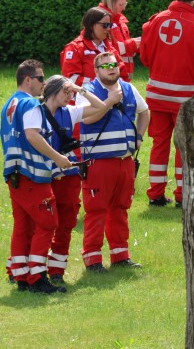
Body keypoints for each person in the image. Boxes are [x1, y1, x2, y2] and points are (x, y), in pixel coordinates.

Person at [140, 0, 194, 207]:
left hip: (157, 95)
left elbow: (145, 58)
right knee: (184, 146)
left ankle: (156, 194)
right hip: (185, 98)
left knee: (159, 144)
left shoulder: (155, 22)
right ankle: (183, 195)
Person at [2, 60, 71, 294]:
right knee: (48, 222)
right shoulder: (30, 103)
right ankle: (37, 277)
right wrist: (58, 158)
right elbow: (32, 135)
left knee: (22, 224)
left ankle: (20, 275)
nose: (44, 83)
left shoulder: (9, 103)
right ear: (28, 79)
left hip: (14, 175)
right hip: (33, 174)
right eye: (41, 78)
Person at [77, 52, 150, 272]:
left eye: (114, 64)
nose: (111, 68)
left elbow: (145, 112)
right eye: (105, 65)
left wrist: (138, 137)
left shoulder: (129, 88)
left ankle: (120, 256)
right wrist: (110, 101)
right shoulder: (87, 91)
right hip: (98, 162)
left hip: (125, 161)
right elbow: (87, 118)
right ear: (96, 70)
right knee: (96, 210)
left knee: (120, 208)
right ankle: (93, 259)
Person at [41, 75, 116, 284]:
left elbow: (100, 106)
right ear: (52, 91)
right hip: (44, 175)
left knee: (66, 222)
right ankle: (32, 269)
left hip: (68, 175)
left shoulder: (70, 112)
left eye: (70, 92)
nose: (69, 96)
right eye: (65, 92)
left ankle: (56, 270)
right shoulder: (36, 113)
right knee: (44, 222)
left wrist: (79, 89)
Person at [60, 7, 129, 86]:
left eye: (110, 25)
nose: (109, 28)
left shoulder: (109, 48)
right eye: (105, 25)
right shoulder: (74, 48)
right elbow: (71, 79)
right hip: (84, 97)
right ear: (91, 25)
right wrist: (101, 85)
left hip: (112, 96)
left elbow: (123, 74)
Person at [99, 0, 141, 81]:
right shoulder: (101, 20)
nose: (123, 8)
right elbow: (105, 48)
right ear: (110, 3)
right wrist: (132, 45)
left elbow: (124, 49)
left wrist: (138, 45)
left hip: (123, 74)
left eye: (125, 4)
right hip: (110, 72)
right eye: (120, 4)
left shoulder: (120, 21)